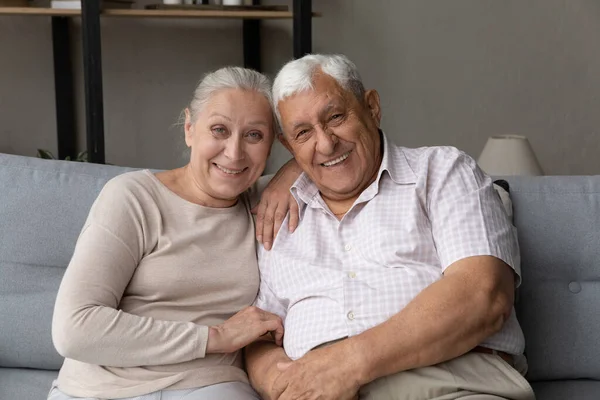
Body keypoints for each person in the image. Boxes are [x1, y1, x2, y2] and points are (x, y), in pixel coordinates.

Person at [245, 54, 536, 400]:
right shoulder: (275, 214)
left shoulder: (443, 172)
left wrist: (346, 365)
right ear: (288, 145)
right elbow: (262, 333)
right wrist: (284, 384)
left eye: (336, 117)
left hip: (451, 382)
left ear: (372, 107)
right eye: (303, 133)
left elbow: (484, 296)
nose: (325, 143)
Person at [49, 66, 300, 400]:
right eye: (219, 130)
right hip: (97, 390)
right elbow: (73, 330)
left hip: (209, 386)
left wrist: (292, 171)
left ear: (272, 145)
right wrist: (215, 337)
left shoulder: (265, 202)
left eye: (254, 135)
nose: (234, 152)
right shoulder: (134, 197)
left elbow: (352, 142)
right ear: (189, 128)